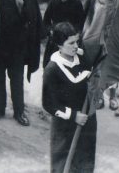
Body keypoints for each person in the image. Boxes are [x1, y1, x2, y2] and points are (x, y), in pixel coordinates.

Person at [42, 22, 96, 173]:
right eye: (71, 43)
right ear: (59, 44)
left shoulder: (83, 59)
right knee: (63, 163)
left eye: (77, 41)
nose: (75, 46)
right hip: (65, 126)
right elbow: (48, 103)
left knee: (85, 160)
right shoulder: (52, 69)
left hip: (87, 119)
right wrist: (73, 115)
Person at [42, 0, 85, 68]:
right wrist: (50, 31)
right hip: (56, 38)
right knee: (52, 64)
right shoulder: (53, 2)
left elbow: (81, 22)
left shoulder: (77, 3)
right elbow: (46, 21)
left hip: (71, 38)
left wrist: (77, 35)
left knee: (70, 65)